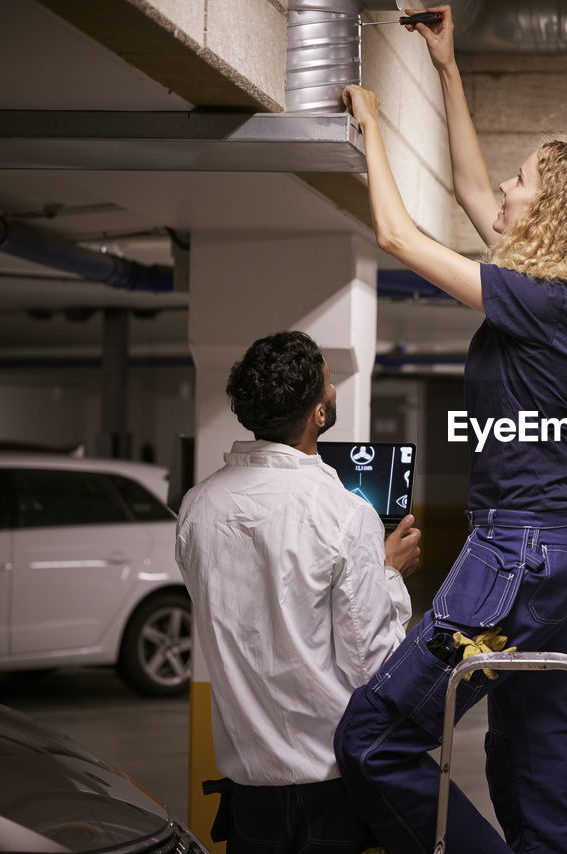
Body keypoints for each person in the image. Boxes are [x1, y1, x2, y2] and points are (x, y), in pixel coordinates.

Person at [332, 6, 567, 854]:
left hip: (520, 554)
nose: (503, 190)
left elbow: (398, 233)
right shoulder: (551, 298)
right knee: (529, 764)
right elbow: (470, 192)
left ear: (550, 214)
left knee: (376, 738)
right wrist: (448, 67)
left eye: (520, 180)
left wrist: (374, 129)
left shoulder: (540, 302)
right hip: (561, 553)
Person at [176, 330, 422, 854]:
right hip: (329, 784)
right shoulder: (343, 513)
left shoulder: (197, 507)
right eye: (330, 385)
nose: (333, 392)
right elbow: (371, 667)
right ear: (318, 414)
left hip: (246, 787)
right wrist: (388, 573)